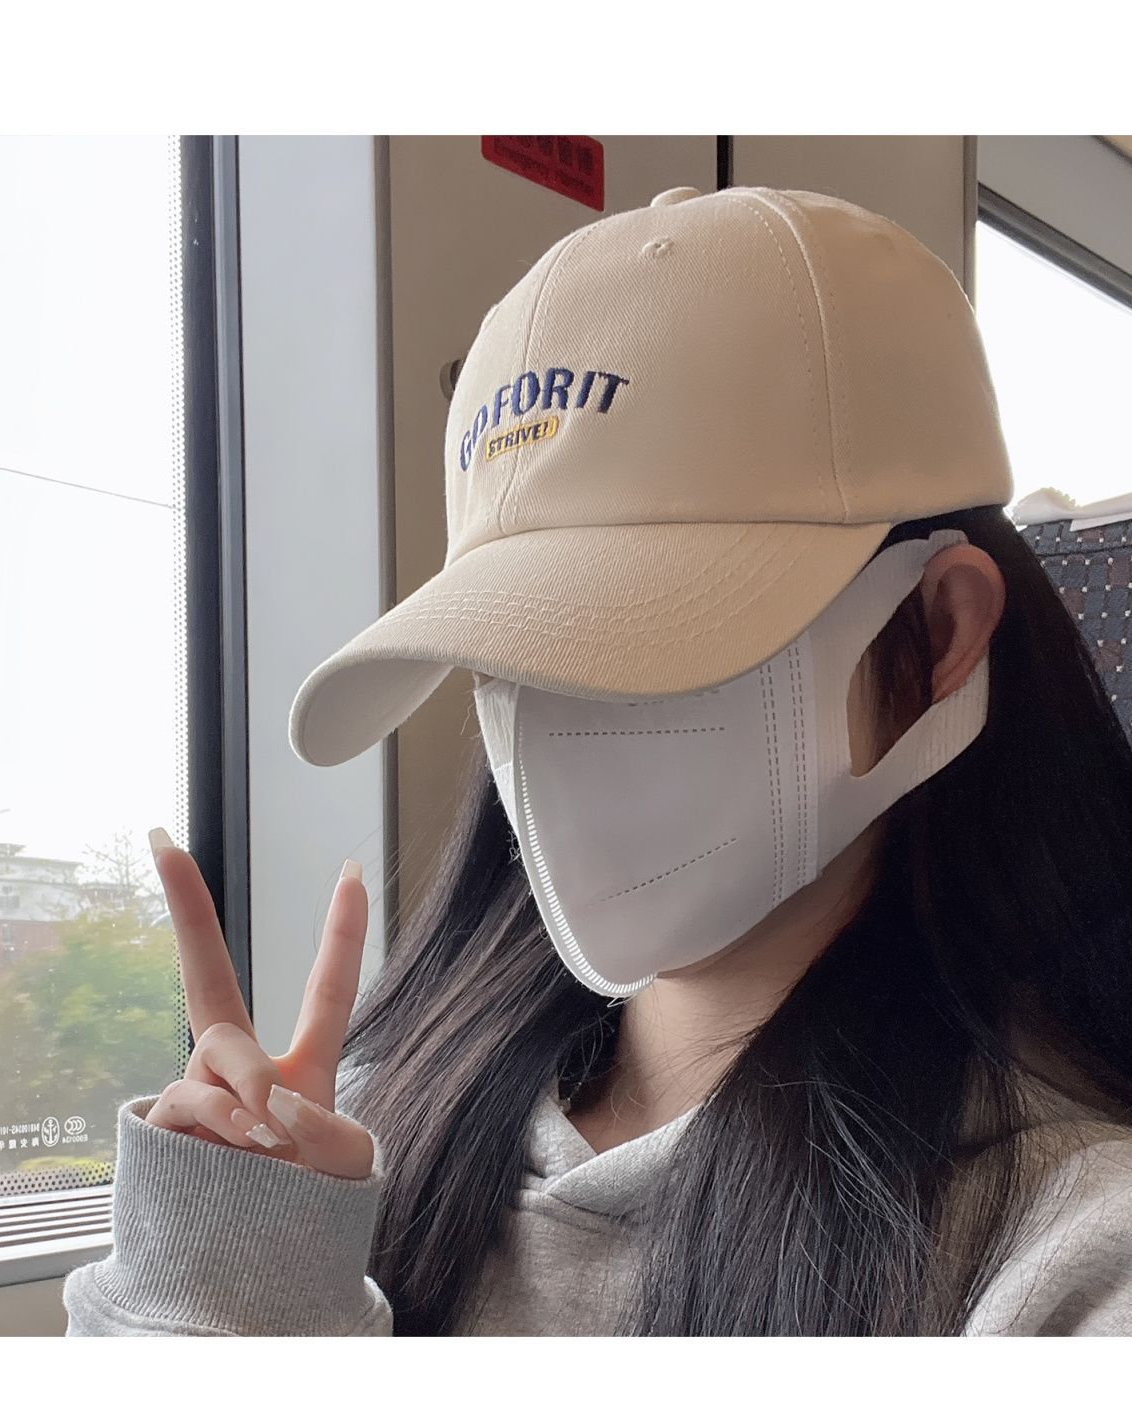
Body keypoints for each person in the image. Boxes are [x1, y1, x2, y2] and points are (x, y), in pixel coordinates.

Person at [63, 185, 1132, 1337]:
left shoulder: (1064, 1254)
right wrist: (225, 1278)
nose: (553, 734)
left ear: (937, 631)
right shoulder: (345, 1136)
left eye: (653, 634)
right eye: (507, 659)